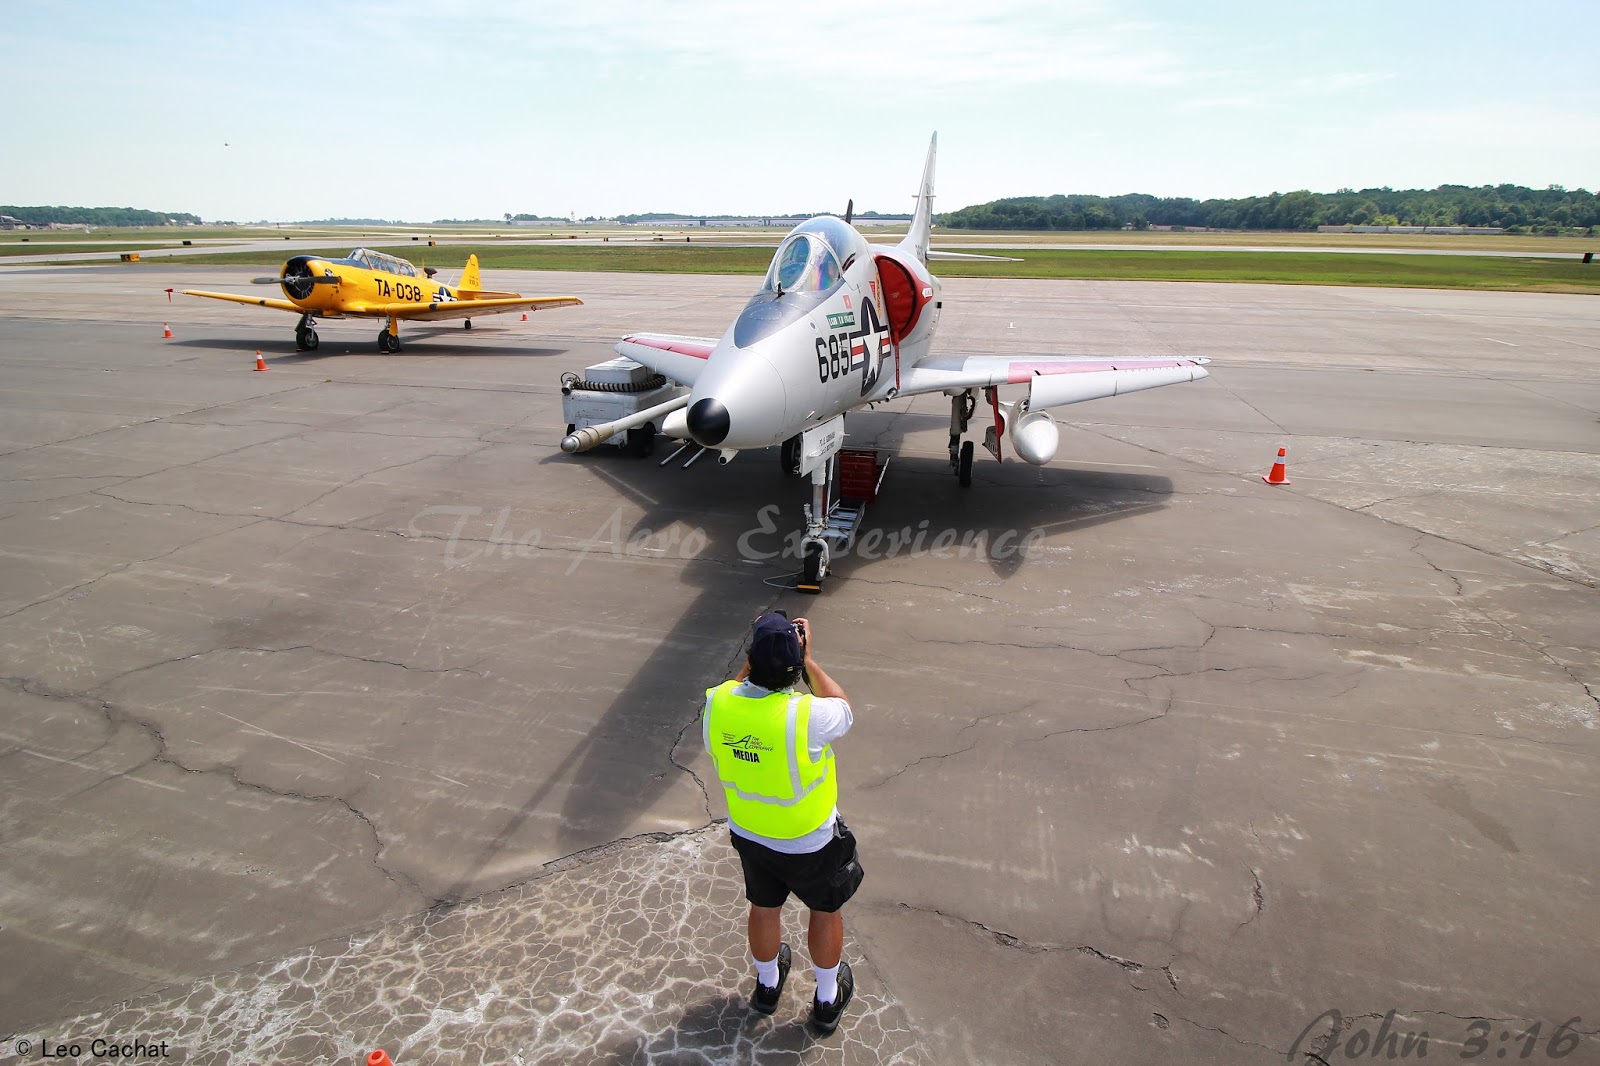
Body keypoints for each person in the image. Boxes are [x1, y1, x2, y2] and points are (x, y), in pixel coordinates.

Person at [702, 610, 864, 1034]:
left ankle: (768, 985)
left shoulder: (717, 705)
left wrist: (759, 653)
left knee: (764, 908)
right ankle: (826, 999)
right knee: (824, 911)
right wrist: (807, 659)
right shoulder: (807, 716)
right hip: (809, 840)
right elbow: (843, 707)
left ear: (750, 660)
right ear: (794, 666)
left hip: (751, 834)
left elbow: (732, 689)